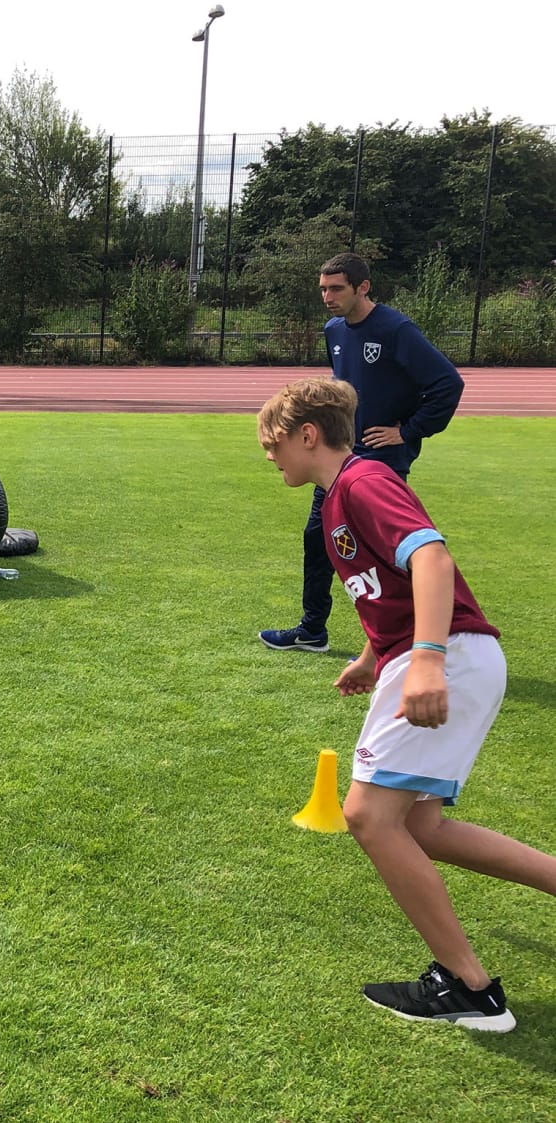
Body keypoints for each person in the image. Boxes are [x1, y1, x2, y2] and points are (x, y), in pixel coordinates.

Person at [257, 376, 556, 1032]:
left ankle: (471, 990)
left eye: (273, 442)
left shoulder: (363, 482)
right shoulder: (337, 499)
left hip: (449, 655)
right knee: (421, 827)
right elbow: (387, 586)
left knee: (367, 815)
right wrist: (374, 655)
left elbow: (432, 561)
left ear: (307, 434)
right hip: (442, 656)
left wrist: (424, 658)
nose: (268, 454)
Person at [260, 252, 464, 652]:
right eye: (323, 289)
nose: (327, 297)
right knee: (318, 540)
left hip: (380, 461)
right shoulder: (334, 330)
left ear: (363, 287)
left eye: (336, 288)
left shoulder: (396, 329)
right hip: (338, 458)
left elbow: (447, 384)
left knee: (388, 551)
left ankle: (414, 637)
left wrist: (407, 432)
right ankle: (312, 629)